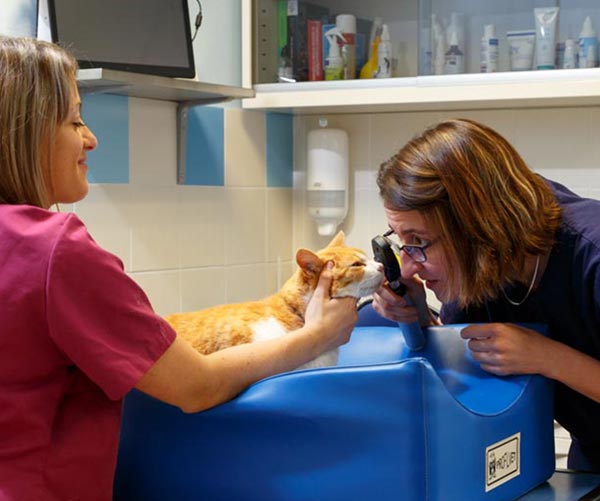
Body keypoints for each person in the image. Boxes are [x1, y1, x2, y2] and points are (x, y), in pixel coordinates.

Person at [0, 36, 358, 500]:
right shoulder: (54, 250)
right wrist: (317, 336)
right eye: (74, 120)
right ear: (26, 131)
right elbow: (196, 387)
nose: (91, 137)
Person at [372, 118, 600, 473]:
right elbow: (466, 373)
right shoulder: (478, 272)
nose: (407, 268)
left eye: (418, 243)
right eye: (401, 242)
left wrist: (547, 357)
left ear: (477, 227)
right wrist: (419, 318)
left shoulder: (592, 252)